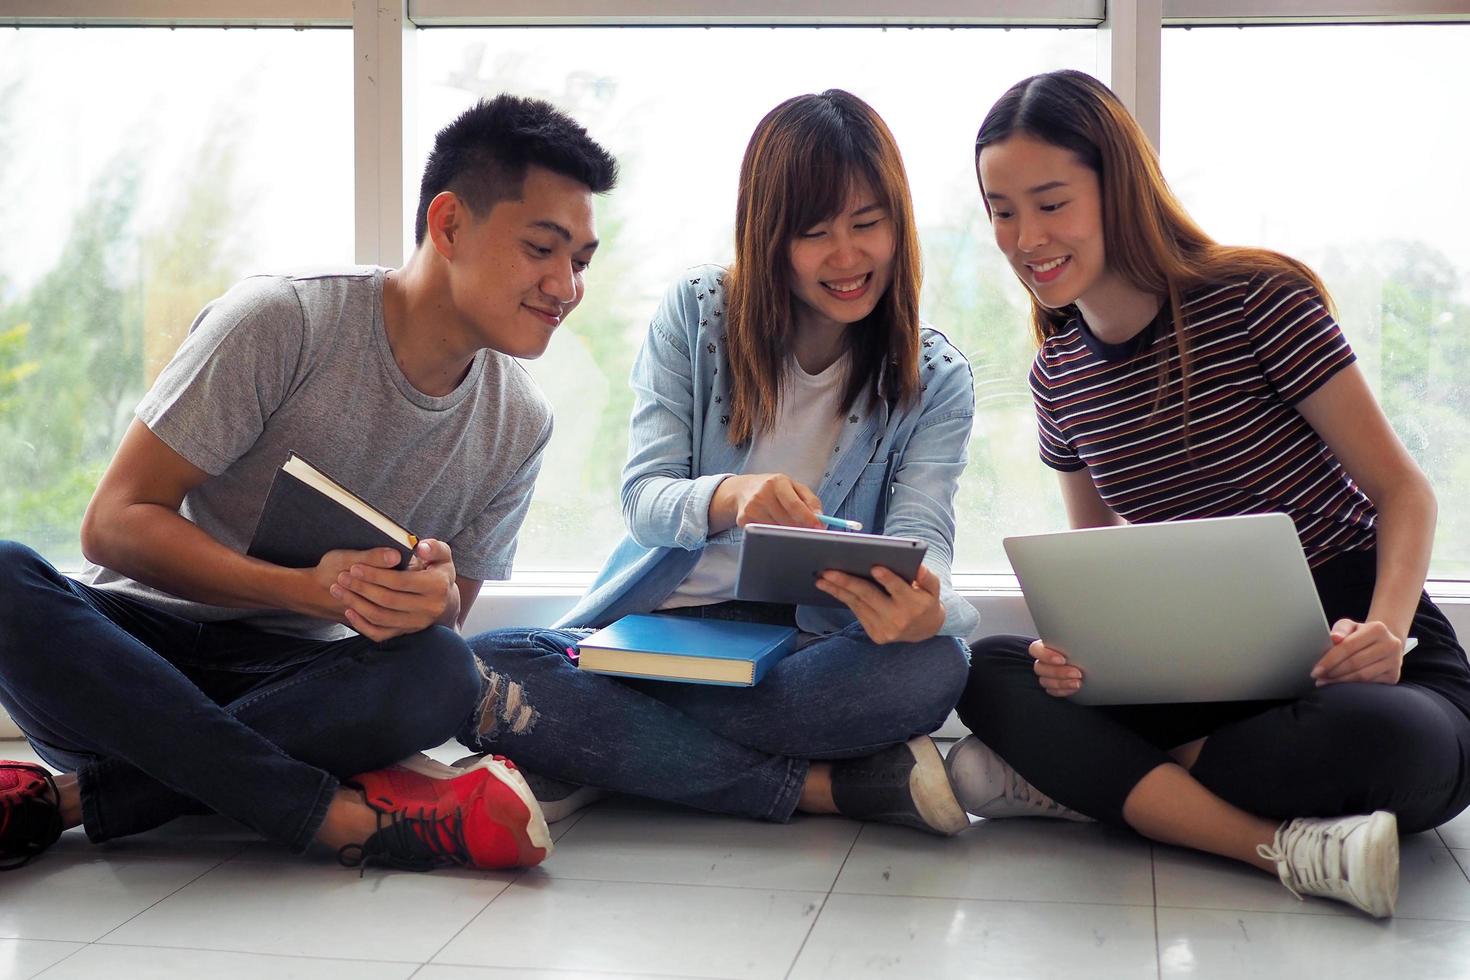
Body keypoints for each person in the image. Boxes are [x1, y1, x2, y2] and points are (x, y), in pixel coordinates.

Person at [0, 95, 617, 874]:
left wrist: (428, 600)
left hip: (296, 688)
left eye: (582, 262)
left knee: (442, 671)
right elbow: (114, 523)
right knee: (5, 576)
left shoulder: (520, 421)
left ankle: (76, 802)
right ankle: (328, 814)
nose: (566, 286)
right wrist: (301, 590)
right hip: (135, 663)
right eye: (543, 249)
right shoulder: (282, 321)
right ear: (451, 223)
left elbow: (444, 618)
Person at [946, 69, 1470, 917]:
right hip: (1197, 670)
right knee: (986, 670)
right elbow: (1100, 568)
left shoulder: (1259, 300)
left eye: (1050, 203)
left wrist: (1387, 631)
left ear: (1118, 190)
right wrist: (1074, 657)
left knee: (1406, 749)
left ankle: (1097, 781)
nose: (1024, 237)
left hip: (1352, 648)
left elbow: (1403, 490)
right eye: (1002, 210)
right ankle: (1281, 848)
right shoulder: (1060, 376)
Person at [456, 89, 977, 835]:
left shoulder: (934, 377)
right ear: (769, 237)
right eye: (814, 233)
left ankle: (604, 749)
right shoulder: (699, 314)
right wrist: (729, 495)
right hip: (666, 628)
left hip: (804, 651)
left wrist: (931, 609)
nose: (848, 257)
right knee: (480, 664)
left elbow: (931, 545)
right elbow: (644, 497)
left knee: (938, 666)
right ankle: (823, 788)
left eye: (868, 224)